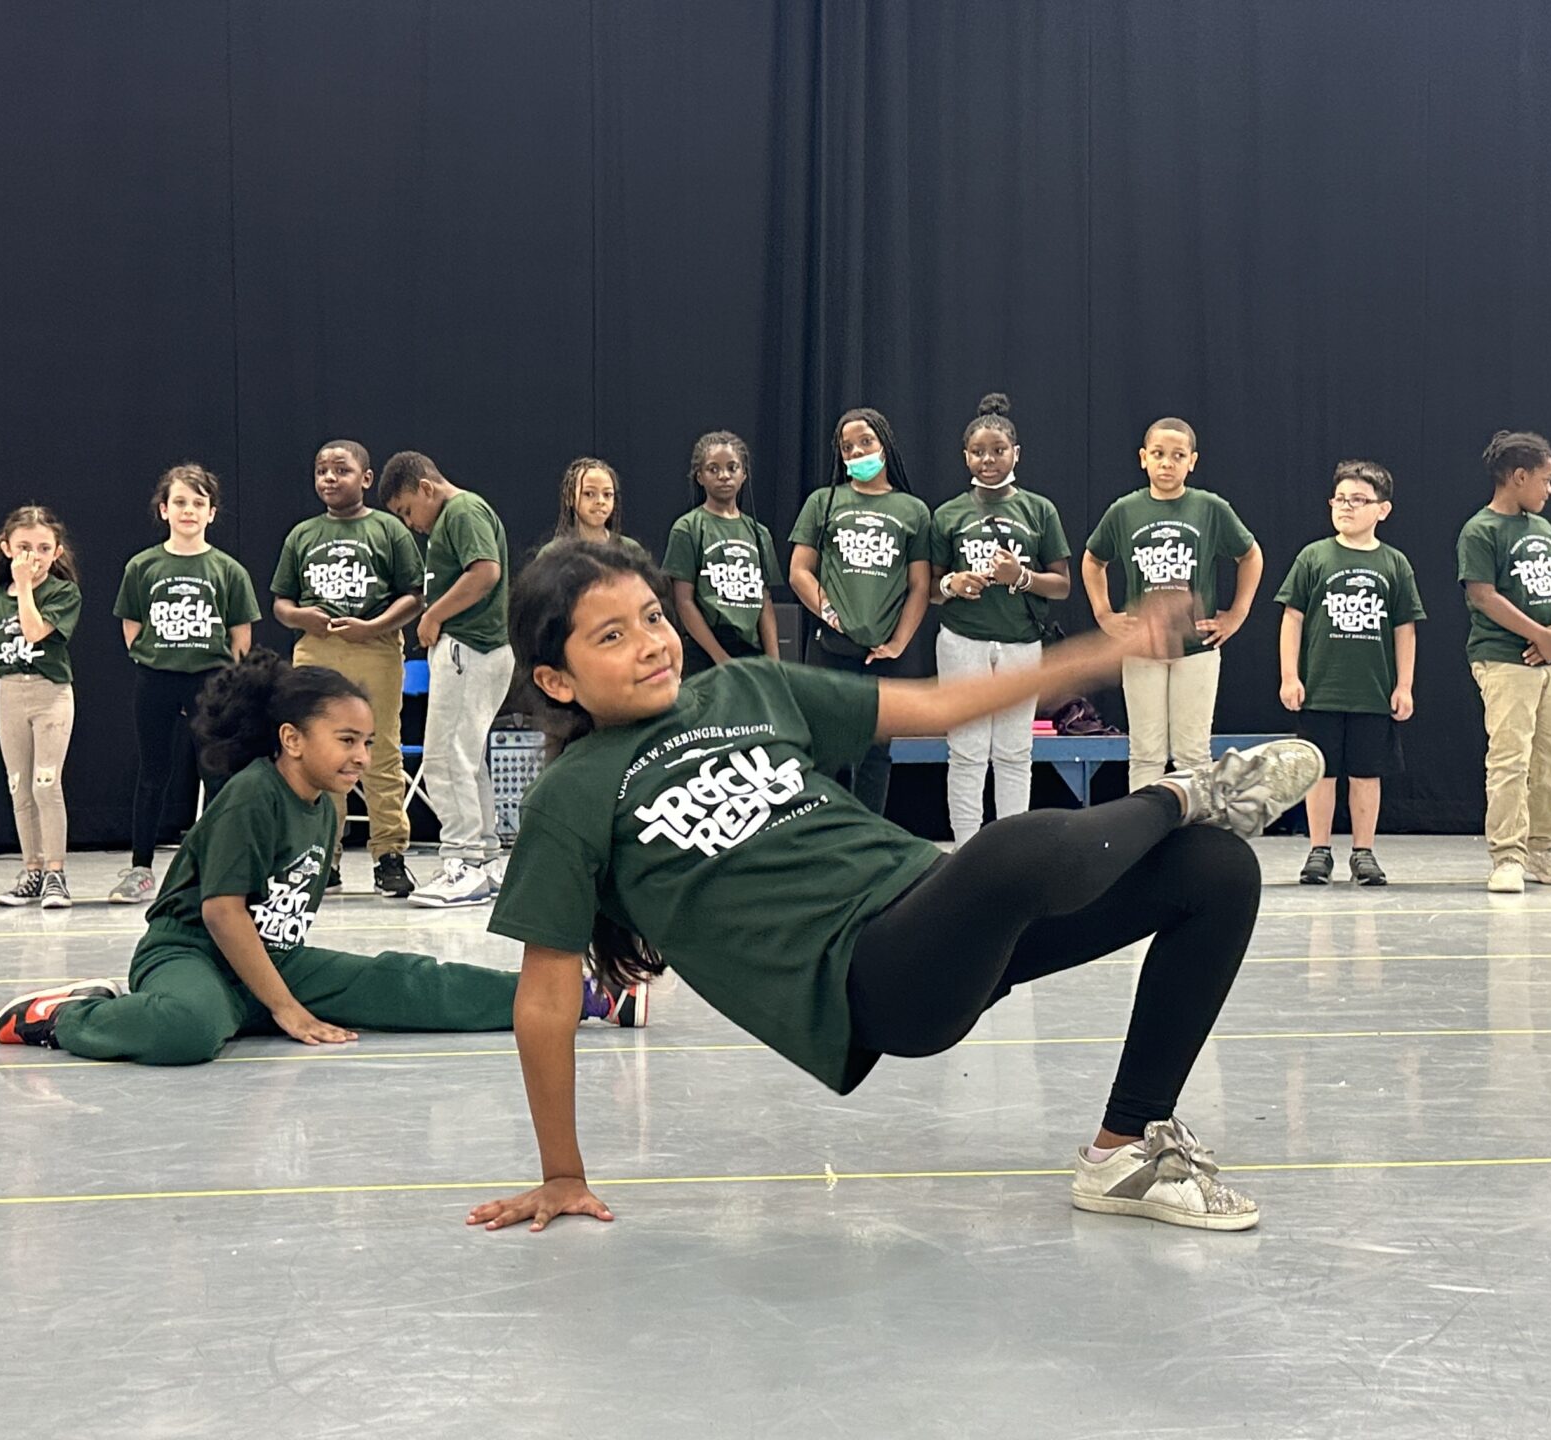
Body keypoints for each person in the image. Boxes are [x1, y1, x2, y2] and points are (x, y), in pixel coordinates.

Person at [466, 540, 1325, 1236]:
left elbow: (941, 707)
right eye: (610, 636)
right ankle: (1181, 794)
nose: (652, 643)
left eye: (653, 617)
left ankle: (1122, 1151)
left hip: (940, 909)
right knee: (1009, 850)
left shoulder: (745, 687)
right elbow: (544, 997)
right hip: (869, 980)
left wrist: (1106, 649)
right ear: (556, 680)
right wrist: (562, 1173)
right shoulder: (573, 796)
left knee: (1217, 872)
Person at [0, 653, 648, 1063]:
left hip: (273, 962)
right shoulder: (253, 795)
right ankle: (70, 1016)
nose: (362, 755)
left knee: (405, 982)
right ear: (292, 739)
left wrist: (285, 993)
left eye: (368, 741)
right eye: (347, 740)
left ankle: (589, 999)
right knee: (188, 1033)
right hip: (193, 956)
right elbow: (221, 913)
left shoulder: (325, 805)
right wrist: (287, 1010)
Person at [273, 441, 425, 898]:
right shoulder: (302, 534)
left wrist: (373, 626)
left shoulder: (388, 529)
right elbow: (281, 603)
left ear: (366, 478)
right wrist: (301, 617)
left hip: (374, 649)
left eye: (341, 469)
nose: (329, 477)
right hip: (316, 651)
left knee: (380, 751)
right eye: (321, 470)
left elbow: (414, 596)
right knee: (316, 752)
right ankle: (322, 856)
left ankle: (389, 855)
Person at [1082, 416, 1264, 790]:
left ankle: (1191, 826)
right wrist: (1103, 613)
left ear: (1192, 461)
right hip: (1141, 646)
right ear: (1143, 458)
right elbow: (1093, 559)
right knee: (1145, 753)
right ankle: (1143, 825)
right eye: (1159, 454)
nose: (1167, 463)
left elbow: (1250, 555)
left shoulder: (1210, 508)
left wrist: (1237, 613)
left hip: (1196, 647)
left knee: (1192, 753)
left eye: (1178, 455)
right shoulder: (1125, 510)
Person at [111, 462, 259, 905]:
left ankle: (212, 866)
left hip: (210, 681)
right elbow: (132, 626)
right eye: (179, 502)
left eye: (198, 502)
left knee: (215, 772)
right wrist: (157, 658)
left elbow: (240, 635)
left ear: (212, 512)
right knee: (153, 773)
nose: (188, 510)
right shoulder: (142, 566)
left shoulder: (228, 569)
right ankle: (140, 869)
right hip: (156, 678)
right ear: (164, 509)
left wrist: (225, 679)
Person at [928, 393, 1071, 845]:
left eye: (997, 451)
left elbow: (1062, 584)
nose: (987, 460)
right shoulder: (948, 513)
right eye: (978, 452)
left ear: (1016, 453)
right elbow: (928, 589)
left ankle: (1012, 849)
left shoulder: (1039, 509)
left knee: (1014, 751)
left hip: (1020, 642)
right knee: (966, 751)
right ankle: (967, 850)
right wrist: (953, 583)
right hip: (962, 640)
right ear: (965, 456)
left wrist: (1021, 576)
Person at [1274, 460, 1423, 886]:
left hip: (1372, 692)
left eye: (1358, 500)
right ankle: (1319, 851)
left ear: (1382, 510)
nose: (1346, 507)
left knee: (1366, 773)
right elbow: (1292, 618)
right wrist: (1290, 676)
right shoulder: (1314, 556)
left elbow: (1405, 628)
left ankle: (1364, 852)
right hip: (1321, 689)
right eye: (1340, 498)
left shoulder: (1394, 563)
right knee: (1320, 773)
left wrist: (1404, 685)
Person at [375, 449, 512, 908]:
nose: (410, 523)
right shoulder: (457, 514)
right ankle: (486, 860)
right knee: (467, 760)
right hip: (476, 651)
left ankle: (463, 861)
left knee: (445, 758)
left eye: (406, 510)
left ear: (426, 488)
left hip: (469, 647)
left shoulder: (462, 510)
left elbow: (485, 571)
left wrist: (433, 615)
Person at [787, 407, 931, 815]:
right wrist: (829, 612)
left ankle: (868, 833)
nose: (856, 452)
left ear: (885, 444)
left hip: (881, 652)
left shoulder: (913, 510)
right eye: (847, 447)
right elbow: (799, 571)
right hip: (830, 647)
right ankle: (825, 834)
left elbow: (920, 585)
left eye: (865, 442)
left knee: (875, 754)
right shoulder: (823, 501)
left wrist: (899, 642)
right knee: (825, 752)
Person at [1456, 431, 1551, 893]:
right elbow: (1483, 595)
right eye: (1545, 479)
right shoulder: (1480, 530)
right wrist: (1538, 635)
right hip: (1505, 660)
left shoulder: (1544, 528)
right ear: (1519, 477)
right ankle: (1507, 854)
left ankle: (1544, 847)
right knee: (1511, 758)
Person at [0, 505, 82, 907]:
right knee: (18, 785)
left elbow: (34, 632)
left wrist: (26, 587)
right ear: (6, 549)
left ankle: (55, 873)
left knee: (46, 784)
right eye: (23, 547)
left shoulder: (63, 593)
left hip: (49, 693)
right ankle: (31, 869)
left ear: (57, 552)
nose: (32, 556)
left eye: (43, 548)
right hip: (11, 694)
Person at [663, 430, 780, 674]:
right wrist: (721, 658)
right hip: (705, 652)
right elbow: (683, 601)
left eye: (732, 468)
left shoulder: (759, 533)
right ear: (699, 476)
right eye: (713, 469)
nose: (724, 475)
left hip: (750, 651)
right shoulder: (688, 527)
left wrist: (774, 664)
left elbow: (764, 600)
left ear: (744, 474)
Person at [546, 457, 649, 561]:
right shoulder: (553, 554)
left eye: (607, 494)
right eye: (589, 494)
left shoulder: (630, 550)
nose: (600, 501)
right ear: (570, 498)